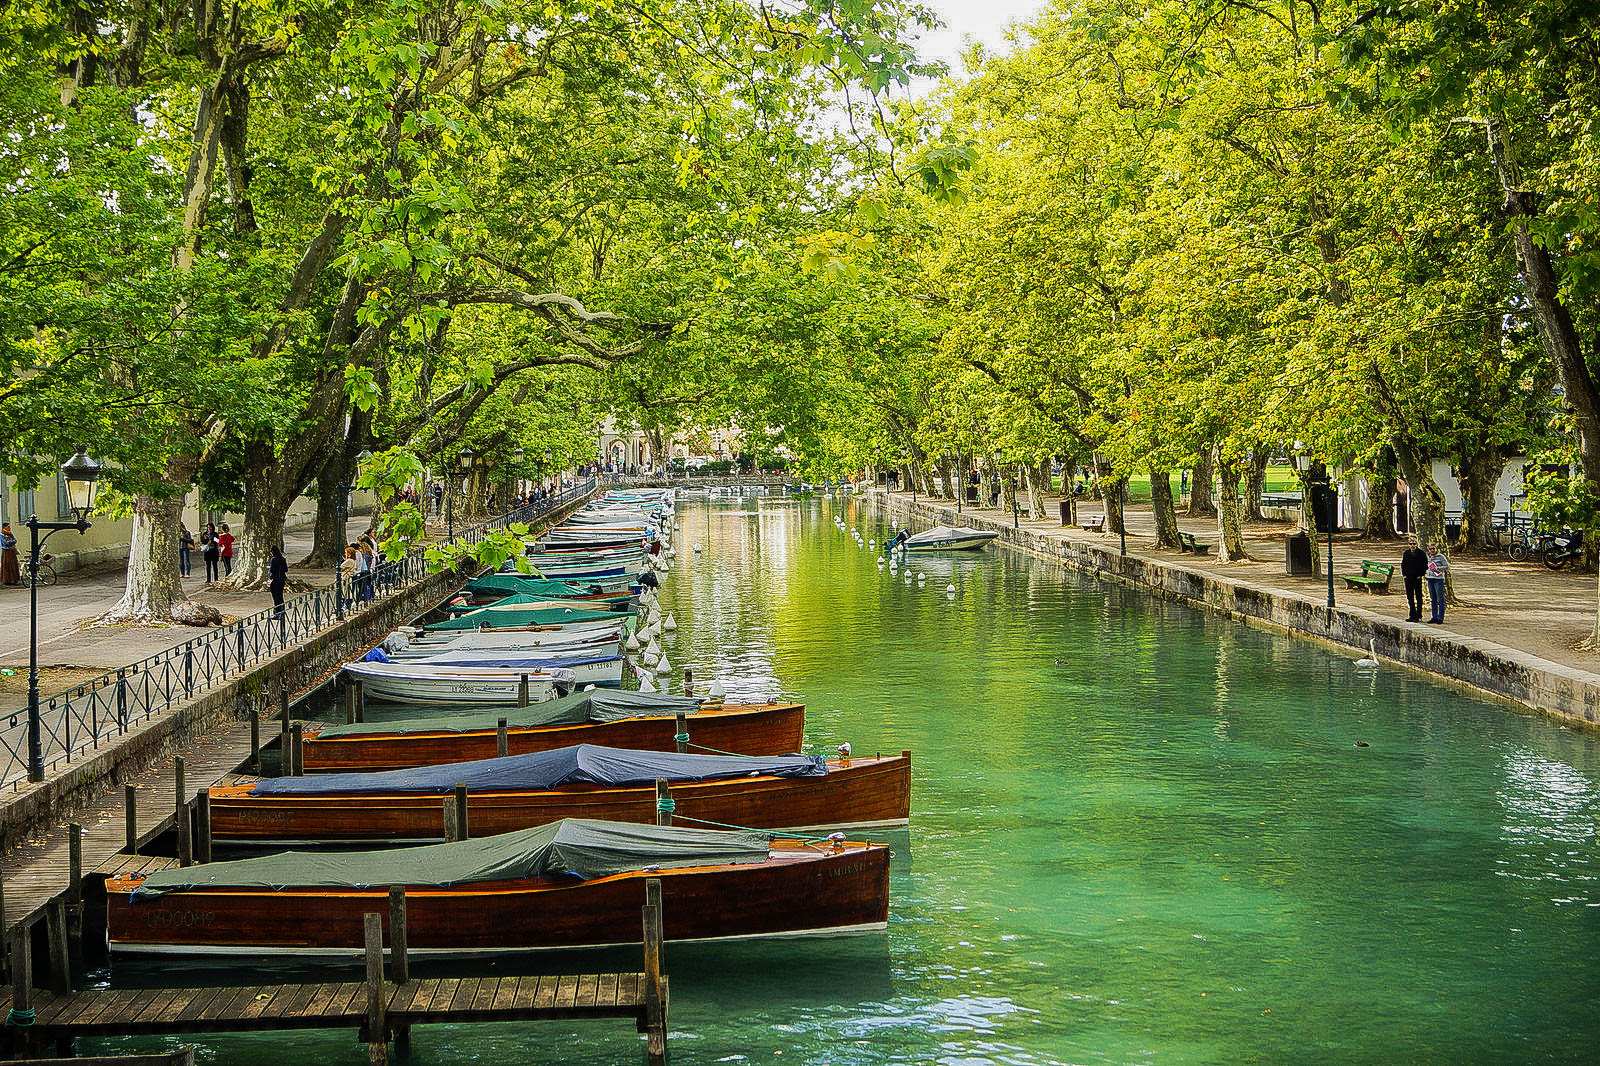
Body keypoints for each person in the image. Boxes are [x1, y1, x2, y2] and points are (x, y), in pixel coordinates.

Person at [1400, 536, 1428, 623]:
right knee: (1410, 596)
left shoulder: (1421, 553)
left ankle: (1419, 615)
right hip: (1408, 577)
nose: (1412, 545)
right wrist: (1404, 574)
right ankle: (1412, 614)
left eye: (1414, 544)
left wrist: (1421, 574)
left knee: (1418, 596)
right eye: (1410, 544)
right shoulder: (1406, 553)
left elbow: (1424, 565)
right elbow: (1403, 564)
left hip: (1417, 577)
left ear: (1416, 544)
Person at [1426, 542, 1450, 624]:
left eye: (1433, 548)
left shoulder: (1441, 556)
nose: (1432, 550)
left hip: (1438, 579)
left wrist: (1437, 568)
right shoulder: (1428, 557)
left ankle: (1440, 617)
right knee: (1433, 599)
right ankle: (1434, 616)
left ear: (1436, 549)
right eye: (1430, 549)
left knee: (1440, 599)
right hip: (1430, 578)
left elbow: (1447, 566)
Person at [268, 545, 288, 614]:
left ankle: (277, 611)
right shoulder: (283, 559)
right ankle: (282, 610)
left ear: (273, 552)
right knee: (280, 596)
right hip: (282, 579)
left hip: (275, 580)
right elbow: (286, 569)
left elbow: (272, 571)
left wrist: (270, 579)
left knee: (275, 597)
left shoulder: (273, 559)